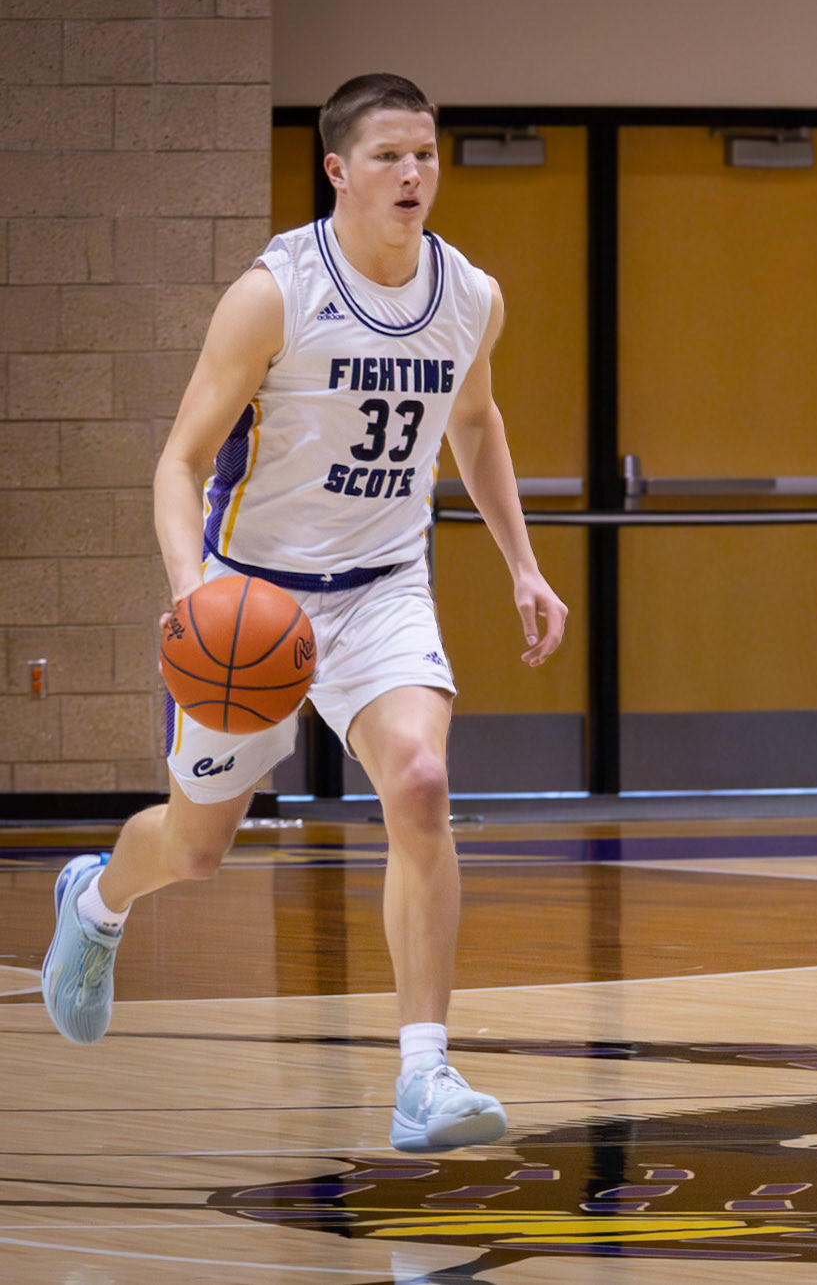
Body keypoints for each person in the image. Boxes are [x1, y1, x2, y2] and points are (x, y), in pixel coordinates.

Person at [39, 73, 568, 1154]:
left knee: (420, 783)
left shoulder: (470, 294)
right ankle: (96, 899)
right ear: (337, 169)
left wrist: (524, 560)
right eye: (388, 155)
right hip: (256, 599)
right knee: (194, 850)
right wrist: (196, 593)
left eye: (425, 152)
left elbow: (477, 417)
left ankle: (424, 1072)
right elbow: (180, 461)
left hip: (382, 586)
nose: (413, 173)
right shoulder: (275, 292)